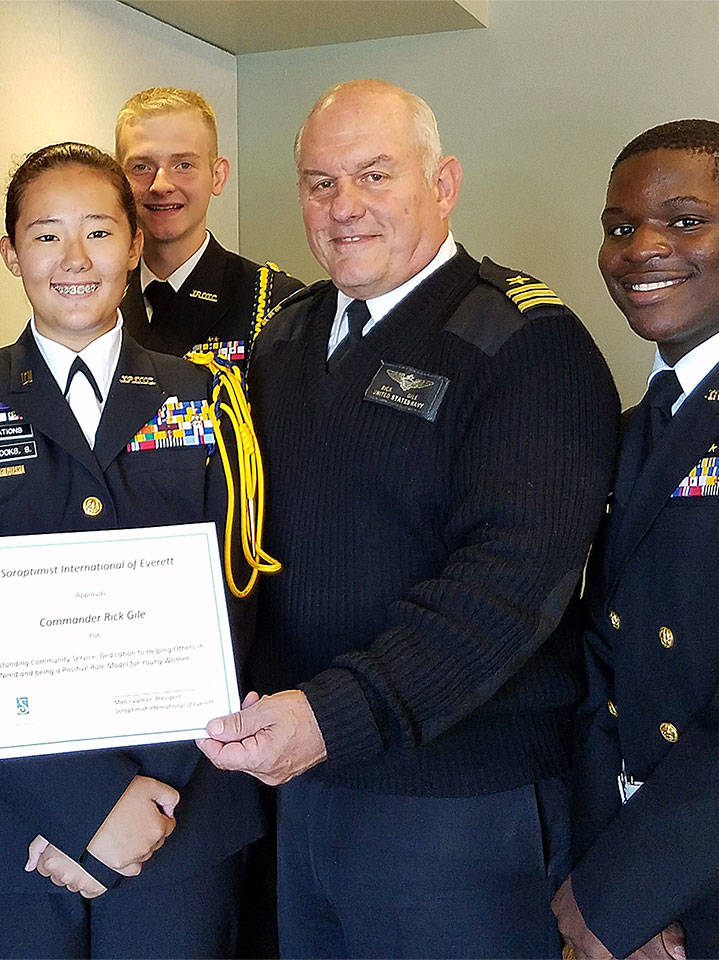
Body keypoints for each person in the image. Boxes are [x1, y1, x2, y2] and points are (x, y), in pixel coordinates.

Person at [197, 79, 620, 958]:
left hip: (456, 805)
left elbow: (508, 585)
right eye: (320, 182)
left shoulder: (527, 342)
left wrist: (336, 715)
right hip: (303, 780)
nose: (343, 207)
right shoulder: (285, 338)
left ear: (444, 183)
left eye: (374, 175)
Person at [0, 142, 268, 958]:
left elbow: (234, 612)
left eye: (99, 230)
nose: (74, 258)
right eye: (47, 234)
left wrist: (135, 806)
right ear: (10, 253)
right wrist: (85, 811)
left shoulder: (206, 395)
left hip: (176, 814)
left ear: (134, 245)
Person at [552, 120, 719, 960]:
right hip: (653, 890)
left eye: (684, 221)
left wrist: (625, 889)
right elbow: (605, 667)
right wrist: (607, 875)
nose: (641, 249)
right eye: (619, 226)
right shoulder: (636, 426)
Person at [115, 87, 301, 367]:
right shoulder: (98, 296)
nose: (161, 185)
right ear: (117, 180)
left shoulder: (272, 303)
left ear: (217, 176)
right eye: (141, 167)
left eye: (184, 165)